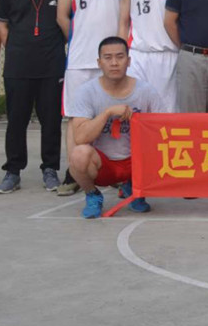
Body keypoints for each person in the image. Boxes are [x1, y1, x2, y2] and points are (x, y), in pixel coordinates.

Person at [55, 0, 132, 196]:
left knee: (118, 116)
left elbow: (128, 18)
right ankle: (74, 172)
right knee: (76, 117)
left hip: (114, 61)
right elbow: (62, 16)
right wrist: (79, 40)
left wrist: (118, 52)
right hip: (80, 59)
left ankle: (118, 170)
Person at [0, 0, 64, 193]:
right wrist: (13, 47)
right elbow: (0, 23)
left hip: (52, 65)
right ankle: (13, 171)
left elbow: (68, 20)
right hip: (18, 66)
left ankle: (50, 169)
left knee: (51, 121)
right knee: (16, 121)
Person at [66, 36, 159, 219]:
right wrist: (107, 113)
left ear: (129, 61)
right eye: (108, 58)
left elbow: (161, 131)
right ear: (99, 63)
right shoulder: (86, 92)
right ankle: (92, 195)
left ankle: (135, 188)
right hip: (104, 164)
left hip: (136, 161)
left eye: (120, 57)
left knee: (161, 148)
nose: (114, 63)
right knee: (79, 154)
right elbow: (81, 137)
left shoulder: (146, 91)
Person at [118, 0, 180, 113]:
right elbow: (123, 22)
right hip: (138, 55)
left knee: (168, 112)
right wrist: (121, 53)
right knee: (135, 111)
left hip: (170, 55)